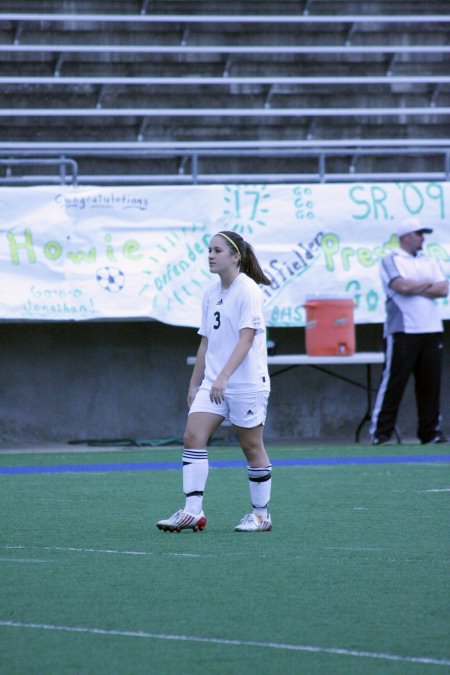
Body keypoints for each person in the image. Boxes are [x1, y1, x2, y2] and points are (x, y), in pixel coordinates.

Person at [157, 230, 273, 533]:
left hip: (245, 383)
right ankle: (193, 511)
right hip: (213, 383)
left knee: (251, 447)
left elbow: (246, 339)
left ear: (236, 256)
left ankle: (261, 515)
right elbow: (206, 343)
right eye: (209, 250)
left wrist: (224, 376)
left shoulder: (248, 290)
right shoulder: (210, 293)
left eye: (218, 250)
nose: (210, 255)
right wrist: (195, 383)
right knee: (192, 437)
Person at [371, 217, 449, 445]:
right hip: (403, 331)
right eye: (418, 234)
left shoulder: (429, 260)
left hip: (431, 329)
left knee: (430, 385)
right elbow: (400, 286)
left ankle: (430, 433)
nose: (422, 238)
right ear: (405, 236)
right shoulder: (391, 259)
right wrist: (427, 284)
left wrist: (416, 284)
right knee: (394, 384)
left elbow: (443, 289)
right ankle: (381, 434)